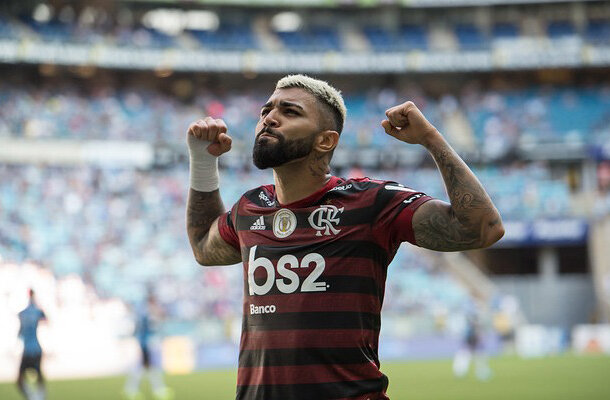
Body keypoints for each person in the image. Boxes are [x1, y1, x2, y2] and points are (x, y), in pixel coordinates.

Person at [185, 75, 504, 399]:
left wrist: (431, 138)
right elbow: (202, 247)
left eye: (290, 111)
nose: (269, 117)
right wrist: (202, 161)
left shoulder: (371, 202)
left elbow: (483, 227)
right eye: (266, 109)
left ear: (326, 141)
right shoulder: (250, 208)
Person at [123, 294, 173, 400]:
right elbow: (150, 327)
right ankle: (155, 390)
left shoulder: (144, 313)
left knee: (147, 368)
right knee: (148, 368)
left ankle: (134, 390)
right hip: (147, 343)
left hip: (146, 343)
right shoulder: (148, 314)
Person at [17, 289, 47, 400]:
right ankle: (38, 396)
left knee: (21, 379)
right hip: (34, 349)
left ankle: (35, 397)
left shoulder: (23, 313)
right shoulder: (36, 311)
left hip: (30, 349)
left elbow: (20, 332)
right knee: (38, 375)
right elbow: (46, 319)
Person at [452, 312, 492, 381]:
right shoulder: (469, 328)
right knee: (463, 359)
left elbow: (478, 338)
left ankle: (482, 373)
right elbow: (468, 339)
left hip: (474, 346)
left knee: (480, 359)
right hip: (469, 346)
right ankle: (460, 373)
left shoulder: (476, 328)